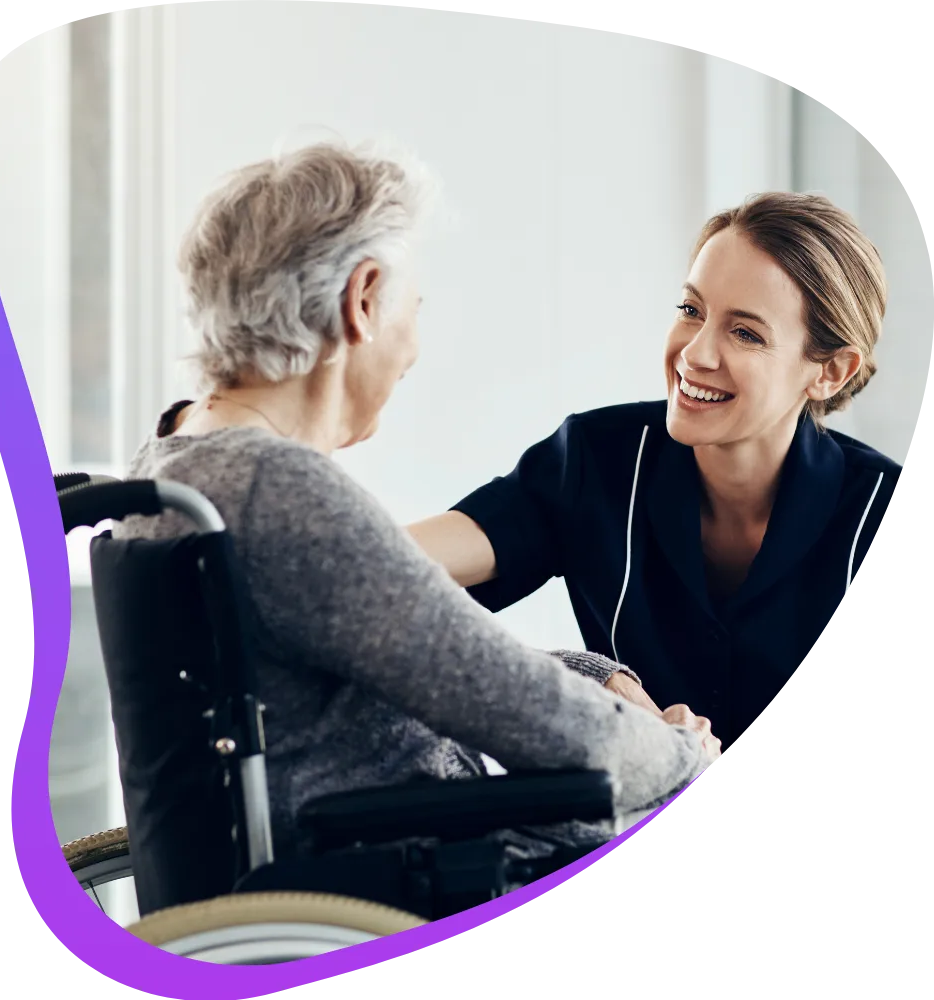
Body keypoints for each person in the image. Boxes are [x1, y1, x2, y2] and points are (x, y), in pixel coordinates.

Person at [114, 142, 719, 865]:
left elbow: (439, 655)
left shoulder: (179, 463)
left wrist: (596, 674)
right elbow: (562, 733)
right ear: (363, 299)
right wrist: (682, 755)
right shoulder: (280, 493)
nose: (413, 348)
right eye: (414, 308)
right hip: (405, 878)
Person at [408, 192, 903, 749]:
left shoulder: (878, 509)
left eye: (745, 333)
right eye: (692, 310)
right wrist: (584, 677)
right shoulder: (596, 461)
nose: (694, 354)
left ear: (831, 372)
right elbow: (382, 571)